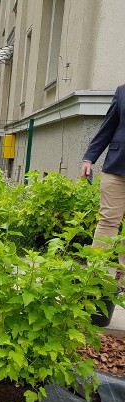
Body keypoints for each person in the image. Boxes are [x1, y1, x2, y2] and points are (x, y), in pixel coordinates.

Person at [81, 83, 125, 285]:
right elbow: (108, 127)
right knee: (108, 220)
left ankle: (122, 276)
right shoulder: (122, 91)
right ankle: (94, 274)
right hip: (117, 167)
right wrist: (89, 157)